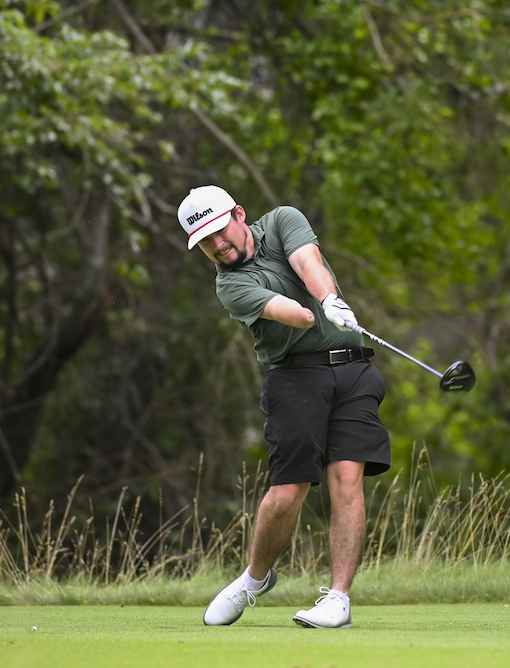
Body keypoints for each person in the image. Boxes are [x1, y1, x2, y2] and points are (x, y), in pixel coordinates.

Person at [177, 185, 391, 629]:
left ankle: (338, 599)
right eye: (205, 244)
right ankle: (255, 579)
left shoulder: (281, 221)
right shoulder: (230, 285)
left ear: (238, 214)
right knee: (288, 491)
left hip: (354, 372)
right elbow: (289, 313)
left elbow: (307, 261)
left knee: (346, 479)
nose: (217, 246)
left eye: (219, 232)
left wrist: (329, 298)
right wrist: (316, 311)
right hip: (295, 378)